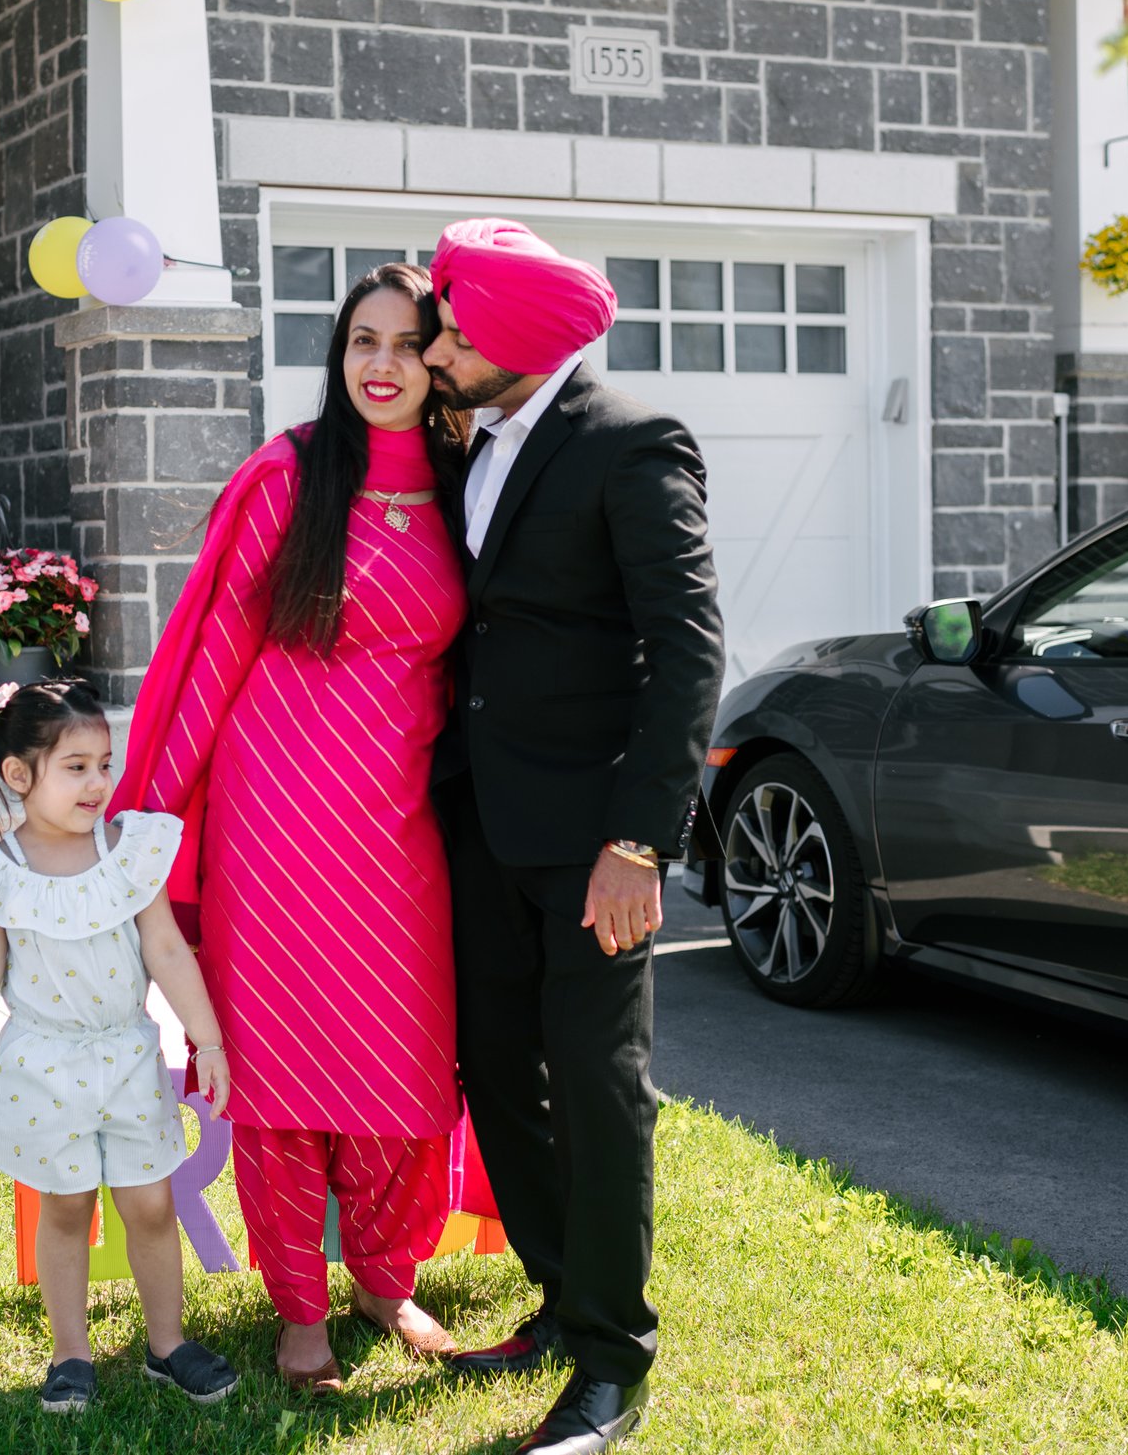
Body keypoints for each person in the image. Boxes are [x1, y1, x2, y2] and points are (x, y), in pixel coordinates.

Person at [112, 261, 470, 1392]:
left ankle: (384, 1270)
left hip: (399, 821)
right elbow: (210, 650)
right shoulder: (288, 474)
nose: (380, 364)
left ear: (439, 359)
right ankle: (298, 1305)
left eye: (407, 344)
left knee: (403, 1063)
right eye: (361, 340)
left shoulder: (467, 483)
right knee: (280, 1068)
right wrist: (155, 820)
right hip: (276, 819)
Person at [422, 219, 725, 1455]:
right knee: (496, 1064)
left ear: (515, 341)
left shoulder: (631, 440)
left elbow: (688, 647)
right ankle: (556, 1295)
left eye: (451, 329)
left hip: (595, 836)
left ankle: (610, 1357)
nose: (436, 348)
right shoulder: (469, 436)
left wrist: (640, 841)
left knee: (598, 1088)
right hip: (477, 820)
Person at [0, 677, 243, 1416]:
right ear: (20, 774)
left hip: (126, 1057)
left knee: (151, 1205)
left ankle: (167, 1343)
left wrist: (208, 1039)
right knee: (65, 1207)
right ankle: (70, 1353)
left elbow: (168, 950)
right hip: (43, 1066)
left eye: (105, 763)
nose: (97, 782)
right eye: (76, 766)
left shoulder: (129, 851)